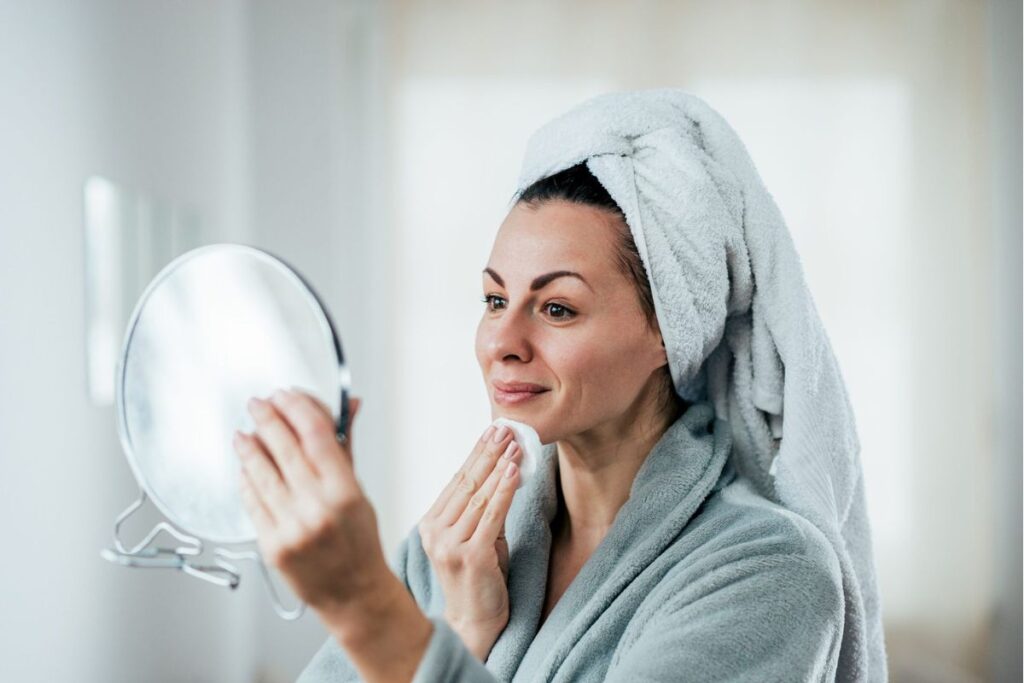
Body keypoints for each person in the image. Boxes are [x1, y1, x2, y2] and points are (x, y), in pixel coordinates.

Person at [234, 90, 886, 682]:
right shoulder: (457, 549)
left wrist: (367, 605)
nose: (501, 342)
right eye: (494, 299)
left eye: (557, 308)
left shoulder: (769, 576)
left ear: (670, 331)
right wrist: (462, 631)